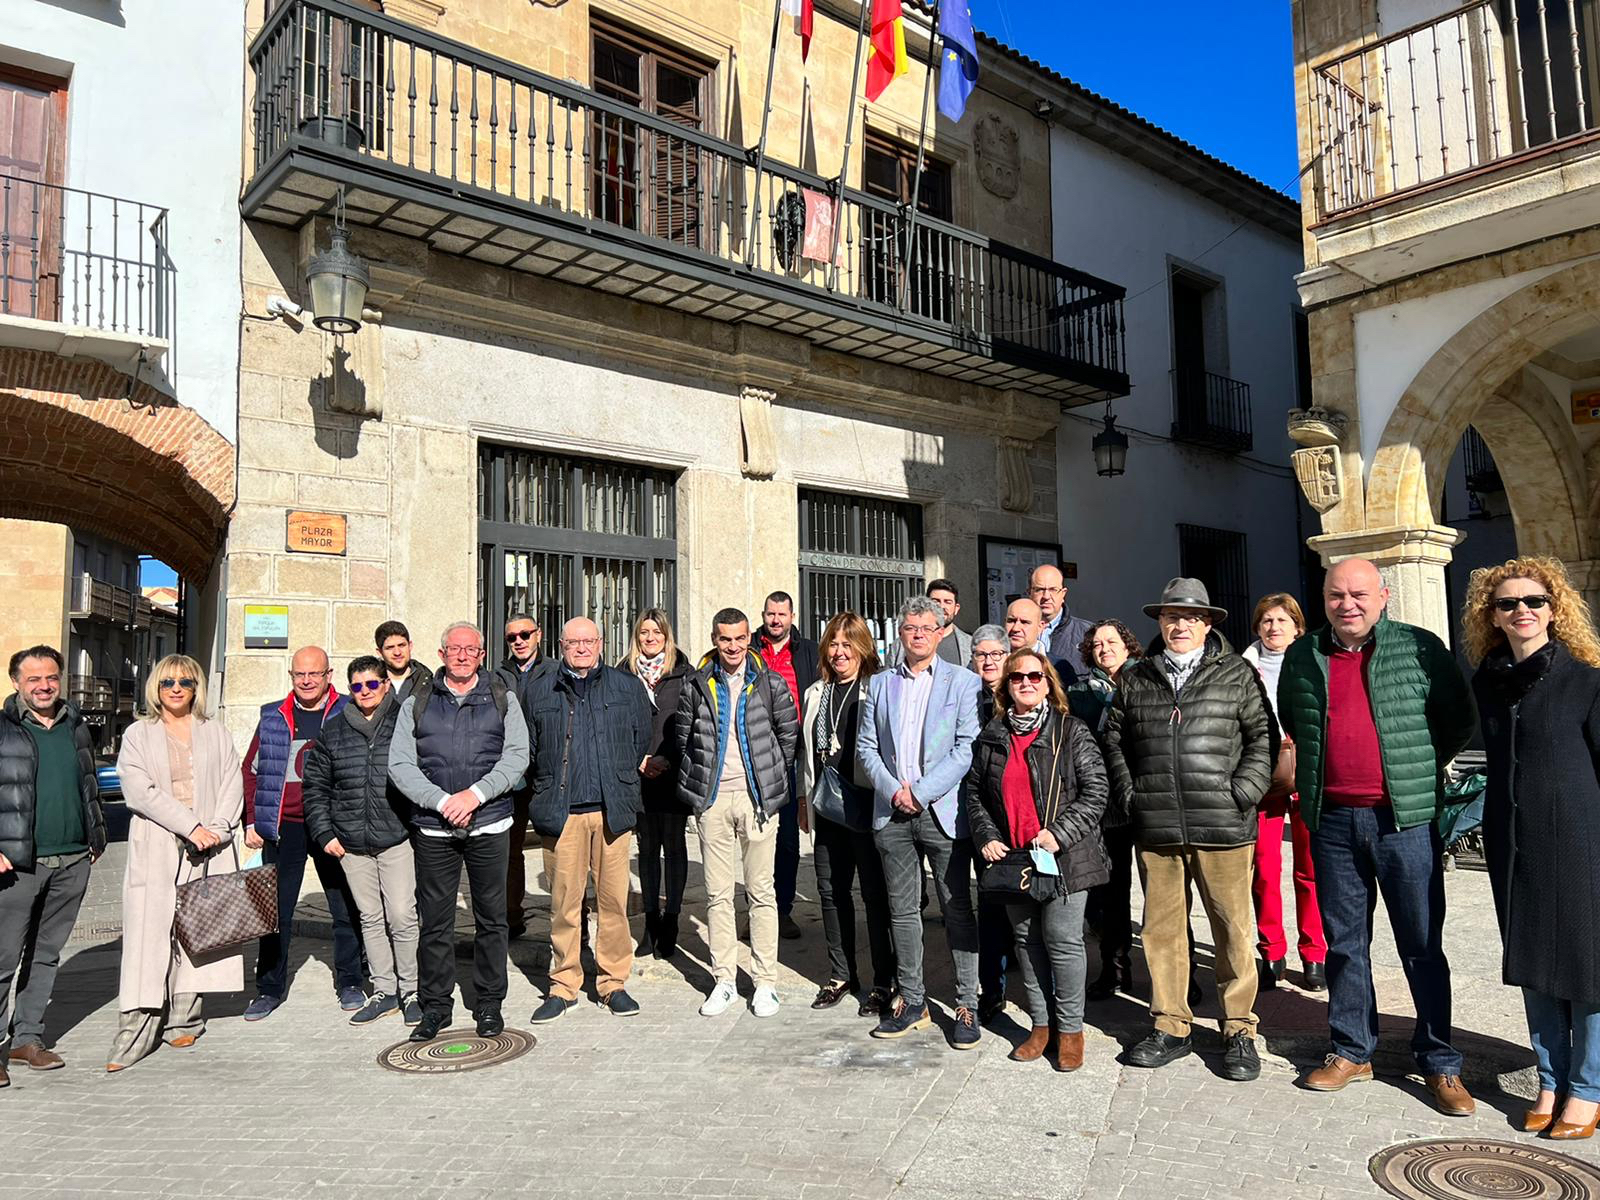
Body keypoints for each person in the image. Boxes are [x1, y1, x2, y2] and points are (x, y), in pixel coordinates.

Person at [1279, 558, 1477, 1115]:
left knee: (1421, 944)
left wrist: (1414, 770)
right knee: (1345, 943)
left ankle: (1439, 1060)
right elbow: (1295, 719)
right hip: (1333, 821)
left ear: (1383, 597)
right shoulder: (1304, 654)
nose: (1348, 604)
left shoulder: (1418, 648)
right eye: (1336, 595)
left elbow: (1457, 721)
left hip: (1404, 821)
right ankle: (1351, 1050)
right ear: (1323, 598)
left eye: (1359, 594)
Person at [1105, 578, 1273, 1082]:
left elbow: (1263, 736)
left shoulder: (1236, 672)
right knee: (1161, 931)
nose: (1181, 625)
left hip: (1223, 825)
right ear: (1160, 622)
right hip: (1157, 825)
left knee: (1232, 930)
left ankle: (1238, 1029)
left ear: (1207, 624)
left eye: (1191, 617)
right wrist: (1131, 795)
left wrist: (1242, 792)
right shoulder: (1137, 677)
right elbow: (1114, 740)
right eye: (1172, 616)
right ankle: (1170, 1025)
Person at [1464, 556, 1600, 1138]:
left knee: (1586, 964)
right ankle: (1551, 1079)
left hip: (1580, 836)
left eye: (1534, 601)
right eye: (1508, 603)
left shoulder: (1586, 679)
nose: (1522, 610)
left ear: (1553, 609)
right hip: (1513, 840)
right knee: (1531, 960)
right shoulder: (1488, 681)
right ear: (1492, 616)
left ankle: (1588, 1089)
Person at [965, 649, 1108, 1071]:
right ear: (1006, 688)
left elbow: (1096, 791)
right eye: (1017, 678)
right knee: (1027, 942)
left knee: (1062, 941)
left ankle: (1071, 1031)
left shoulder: (1071, 731)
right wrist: (987, 835)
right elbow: (974, 793)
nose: (1026, 683)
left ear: (1048, 684)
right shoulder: (993, 735)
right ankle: (1041, 1026)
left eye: (1034, 676)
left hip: (1064, 857)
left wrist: (1059, 834)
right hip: (1014, 859)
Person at [389, 622, 529, 1042]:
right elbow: (400, 764)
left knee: (492, 919)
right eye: (455, 649)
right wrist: (441, 802)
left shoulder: (502, 697)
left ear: (482, 655)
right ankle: (435, 1006)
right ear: (441, 653)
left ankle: (489, 1003)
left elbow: (516, 756)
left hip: (489, 821)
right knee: (435, 922)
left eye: (471, 649)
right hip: (434, 828)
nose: (463, 655)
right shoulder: (418, 700)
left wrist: (474, 795)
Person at [857, 596, 984, 1046]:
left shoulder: (963, 682)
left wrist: (921, 792)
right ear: (901, 633)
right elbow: (866, 747)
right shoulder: (879, 684)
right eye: (910, 628)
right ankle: (913, 1001)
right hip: (892, 812)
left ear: (940, 632)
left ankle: (967, 1003)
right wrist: (894, 790)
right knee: (902, 910)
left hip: (941, 812)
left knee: (956, 909)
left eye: (926, 628)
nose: (917, 635)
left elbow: (966, 748)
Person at [108, 658, 243, 1069]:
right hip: (158, 841)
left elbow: (232, 783)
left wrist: (216, 829)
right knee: (149, 934)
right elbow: (139, 791)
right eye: (168, 681)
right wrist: (190, 826)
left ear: (197, 686)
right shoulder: (138, 734)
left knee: (197, 928)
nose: (177, 688)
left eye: (186, 681)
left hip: (207, 845)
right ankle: (137, 1029)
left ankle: (185, 1016)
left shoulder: (214, 732)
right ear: (156, 687)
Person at [675, 608, 799, 1018]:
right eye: (725, 639)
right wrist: (700, 789)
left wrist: (769, 779)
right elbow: (684, 736)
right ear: (715, 639)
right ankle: (724, 980)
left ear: (750, 638)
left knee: (761, 892)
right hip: (713, 800)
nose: (733, 646)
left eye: (740, 638)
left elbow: (787, 736)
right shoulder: (697, 683)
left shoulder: (769, 682)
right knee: (718, 894)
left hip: (755, 800)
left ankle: (765, 982)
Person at [526, 618, 651, 1022]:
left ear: (601, 643)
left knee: (614, 903)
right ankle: (563, 985)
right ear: (561, 645)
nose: (581, 648)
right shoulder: (540, 689)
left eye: (588, 641)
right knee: (564, 904)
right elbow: (531, 748)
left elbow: (640, 739)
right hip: (563, 814)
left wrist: (618, 777)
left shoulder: (626, 687)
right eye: (573, 642)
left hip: (612, 811)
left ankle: (613, 983)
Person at [241, 645, 364, 1021]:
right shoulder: (273, 715)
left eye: (314, 673)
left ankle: (351, 982)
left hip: (332, 826)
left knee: (345, 907)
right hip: (285, 827)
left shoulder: (348, 711)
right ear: (291, 676)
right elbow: (251, 770)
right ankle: (269, 989)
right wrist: (252, 820)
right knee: (275, 912)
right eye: (300, 674)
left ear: (329, 675)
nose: (307, 680)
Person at [0, 645, 104, 1084]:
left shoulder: (76, 726)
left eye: (51, 678)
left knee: (45, 956)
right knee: (3, 959)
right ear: (16, 683)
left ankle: (27, 1039)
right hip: (16, 866)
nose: (44, 686)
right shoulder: (4, 729)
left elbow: (88, 784)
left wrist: (95, 837)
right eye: (33, 679)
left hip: (73, 860)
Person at [303, 657, 421, 1027]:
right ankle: (385, 991)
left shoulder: (406, 721)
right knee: (370, 918)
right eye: (357, 686)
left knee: (402, 915)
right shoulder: (335, 729)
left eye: (372, 684)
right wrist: (325, 833)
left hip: (396, 836)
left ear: (386, 684)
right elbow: (315, 786)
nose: (365, 691)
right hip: (352, 842)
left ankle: (412, 990)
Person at [797, 612, 894, 1016]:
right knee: (831, 893)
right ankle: (841, 974)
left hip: (867, 808)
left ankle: (883, 980)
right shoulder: (816, 693)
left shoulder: (877, 688)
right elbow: (804, 754)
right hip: (827, 807)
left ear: (862, 647)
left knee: (874, 895)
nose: (839, 652)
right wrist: (803, 802)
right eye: (833, 644)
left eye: (847, 643)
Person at [1241, 594, 1326, 994]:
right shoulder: (1243, 667)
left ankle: (1314, 952)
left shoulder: (1314, 661)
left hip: (1307, 768)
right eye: (1266, 621)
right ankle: (1271, 951)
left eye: (1281, 620)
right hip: (1264, 772)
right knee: (1264, 866)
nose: (1273, 627)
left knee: (1310, 867)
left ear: (1297, 627)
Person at [1068, 619, 1143, 1002]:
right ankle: (1115, 968)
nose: (1104, 648)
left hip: (1147, 799)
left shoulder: (1147, 683)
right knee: (1111, 892)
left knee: (1164, 894)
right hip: (1106, 806)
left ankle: (1183, 975)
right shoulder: (1080, 693)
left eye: (1112, 641)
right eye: (1097, 643)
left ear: (1127, 646)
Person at [619, 609, 693, 960]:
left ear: (667, 637)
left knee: (674, 847)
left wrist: (667, 759)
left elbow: (691, 724)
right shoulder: (623, 673)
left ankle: (672, 921)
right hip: (639, 775)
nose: (650, 638)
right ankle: (650, 923)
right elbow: (616, 725)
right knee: (647, 849)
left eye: (657, 632)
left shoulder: (683, 672)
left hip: (673, 773)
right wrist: (640, 760)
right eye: (644, 632)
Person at [751, 590, 818, 941]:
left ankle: (782, 909)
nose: (775, 620)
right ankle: (756, 911)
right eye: (770, 614)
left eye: (782, 614)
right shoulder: (748, 648)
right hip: (753, 756)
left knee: (788, 839)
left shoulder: (807, 652)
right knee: (754, 837)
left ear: (792, 616)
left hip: (792, 757)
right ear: (763, 615)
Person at [969, 624, 1017, 1023]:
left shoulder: (1022, 692)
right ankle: (992, 988)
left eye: (995, 654)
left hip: (1019, 816)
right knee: (989, 903)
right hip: (979, 814)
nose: (988, 661)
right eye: (981, 655)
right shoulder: (965, 695)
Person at [499, 612, 555, 940]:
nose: (519, 641)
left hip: (549, 774)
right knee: (510, 850)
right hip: (513, 777)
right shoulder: (497, 676)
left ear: (538, 634)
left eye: (525, 634)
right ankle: (511, 917)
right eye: (512, 637)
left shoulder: (557, 671)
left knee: (560, 853)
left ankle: (574, 926)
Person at [1029, 564, 1094, 682]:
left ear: (1063, 594)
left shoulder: (1088, 633)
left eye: (1053, 590)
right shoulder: (1016, 633)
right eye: (1040, 590)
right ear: (1030, 592)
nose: (1046, 596)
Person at [887, 580, 972, 667]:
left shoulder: (969, 644)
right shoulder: (900, 645)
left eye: (947, 602)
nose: (941, 606)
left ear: (956, 608)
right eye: (936, 601)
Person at [375, 620, 433, 704]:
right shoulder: (369, 683)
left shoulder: (428, 682)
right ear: (380, 652)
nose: (397, 653)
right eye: (390, 648)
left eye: (401, 645)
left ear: (410, 646)